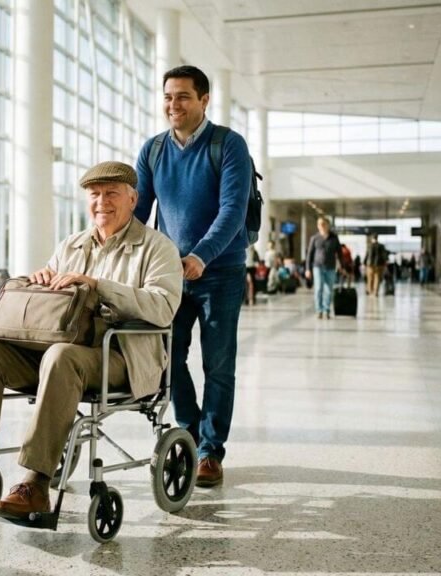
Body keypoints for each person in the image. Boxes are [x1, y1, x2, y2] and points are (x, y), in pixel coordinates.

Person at [0, 161, 182, 520]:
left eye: (111, 194)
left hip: (122, 356)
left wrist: (98, 285)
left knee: (61, 357)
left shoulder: (156, 247)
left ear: (133, 199)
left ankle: (35, 485)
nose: (101, 202)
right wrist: (39, 281)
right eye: (94, 195)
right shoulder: (71, 245)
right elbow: (51, 304)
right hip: (61, 350)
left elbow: (164, 307)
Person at [134, 65, 252, 487]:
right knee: (167, 357)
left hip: (220, 271)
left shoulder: (229, 145)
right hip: (170, 275)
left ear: (204, 100)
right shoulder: (152, 151)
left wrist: (201, 255)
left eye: (183, 96)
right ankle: (190, 430)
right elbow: (137, 213)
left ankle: (210, 451)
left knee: (218, 364)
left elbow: (232, 211)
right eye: (168, 96)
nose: (173, 105)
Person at [305, 216, 342, 319]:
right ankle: (319, 310)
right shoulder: (315, 238)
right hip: (317, 266)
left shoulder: (334, 238)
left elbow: (339, 252)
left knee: (329, 290)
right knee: (318, 289)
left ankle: (327, 310)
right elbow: (309, 254)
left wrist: (342, 266)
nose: (321, 226)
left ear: (327, 225)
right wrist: (308, 269)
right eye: (319, 224)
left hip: (330, 267)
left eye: (323, 224)